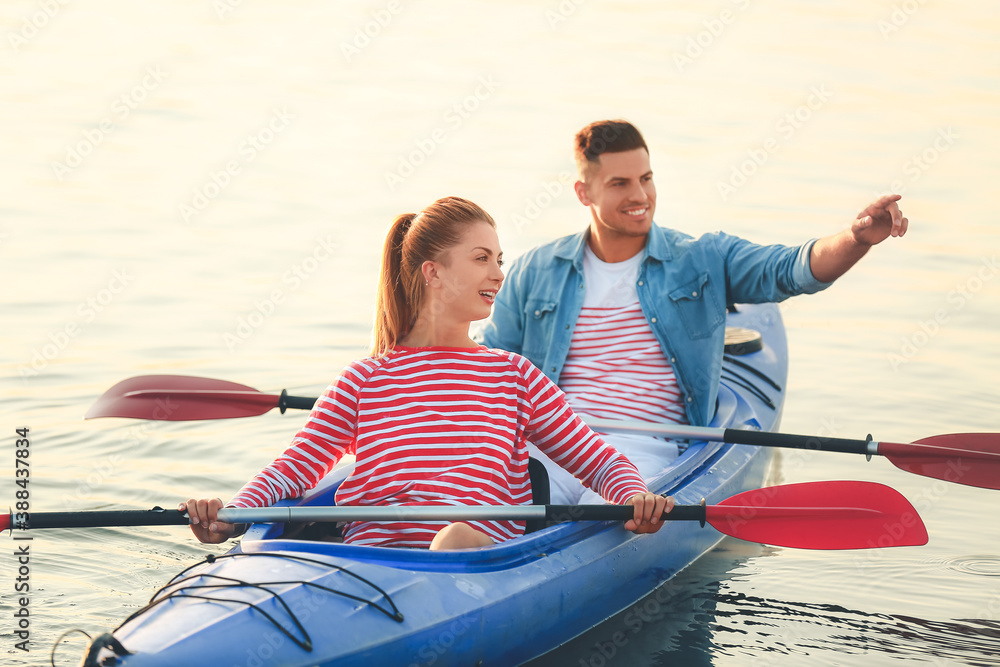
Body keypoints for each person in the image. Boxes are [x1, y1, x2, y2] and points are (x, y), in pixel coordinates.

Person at [183, 196, 672, 551]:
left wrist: (635, 497)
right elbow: (295, 468)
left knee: (455, 536)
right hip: (368, 564)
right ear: (433, 272)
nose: (499, 274)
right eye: (482, 259)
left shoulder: (513, 375)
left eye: (499, 260)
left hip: (473, 560)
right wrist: (231, 514)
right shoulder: (364, 379)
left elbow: (596, 461)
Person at [479, 120, 909, 503]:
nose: (640, 195)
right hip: (552, 443)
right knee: (486, 510)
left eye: (646, 179)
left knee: (598, 515)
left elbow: (792, 269)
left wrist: (857, 239)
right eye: (620, 184)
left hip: (644, 450)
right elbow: (489, 365)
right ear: (583, 192)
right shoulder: (537, 269)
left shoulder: (701, 258)